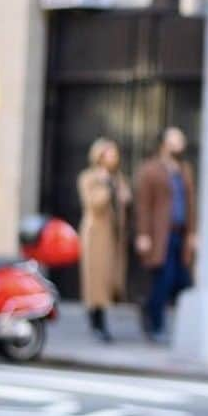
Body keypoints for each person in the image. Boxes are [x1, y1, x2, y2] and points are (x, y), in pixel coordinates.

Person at [133, 126, 196, 342]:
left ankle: (153, 312)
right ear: (164, 143)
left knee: (184, 281)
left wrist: (193, 233)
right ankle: (155, 323)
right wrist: (143, 233)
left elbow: (191, 204)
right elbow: (143, 204)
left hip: (181, 233)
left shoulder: (184, 169)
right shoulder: (150, 169)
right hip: (160, 234)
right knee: (163, 279)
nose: (181, 142)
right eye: (176, 138)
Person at [77, 137, 131, 343]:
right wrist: (107, 186)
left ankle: (100, 317)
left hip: (114, 236)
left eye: (115, 154)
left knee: (109, 279)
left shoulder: (119, 178)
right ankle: (97, 321)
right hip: (96, 234)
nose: (113, 158)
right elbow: (93, 203)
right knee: (96, 279)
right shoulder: (89, 178)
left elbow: (126, 201)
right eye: (109, 154)